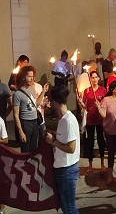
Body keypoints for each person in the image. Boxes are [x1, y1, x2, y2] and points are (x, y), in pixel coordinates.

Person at [45, 85, 81, 214]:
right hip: (62, 168)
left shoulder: (68, 121)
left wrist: (52, 141)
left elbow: (71, 148)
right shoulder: (62, 119)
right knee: (66, 207)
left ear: (55, 102)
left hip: (67, 170)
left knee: (69, 208)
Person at [13, 66, 49, 152]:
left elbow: (36, 104)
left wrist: (43, 92)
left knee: (34, 147)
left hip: (35, 121)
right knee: (25, 148)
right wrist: (20, 131)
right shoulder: (17, 94)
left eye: (32, 76)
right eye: (29, 76)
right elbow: (15, 114)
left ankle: (31, 164)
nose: (32, 78)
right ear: (23, 77)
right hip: (25, 123)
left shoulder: (32, 90)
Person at [97, 81, 116, 185]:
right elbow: (103, 115)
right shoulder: (106, 100)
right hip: (109, 131)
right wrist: (99, 108)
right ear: (113, 89)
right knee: (110, 152)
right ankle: (110, 175)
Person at [78, 70, 107, 173]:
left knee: (101, 141)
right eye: (92, 78)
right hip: (90, 119)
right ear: (90, 79)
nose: (94, 79)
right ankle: (90, 164)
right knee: (90, 142)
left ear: (99, 78)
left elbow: (105, 104)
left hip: (100, 119)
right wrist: (81, 103)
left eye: (96, 77)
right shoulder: (87, 91)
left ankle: (102, 163)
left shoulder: (103, 90)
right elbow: (85, 107)